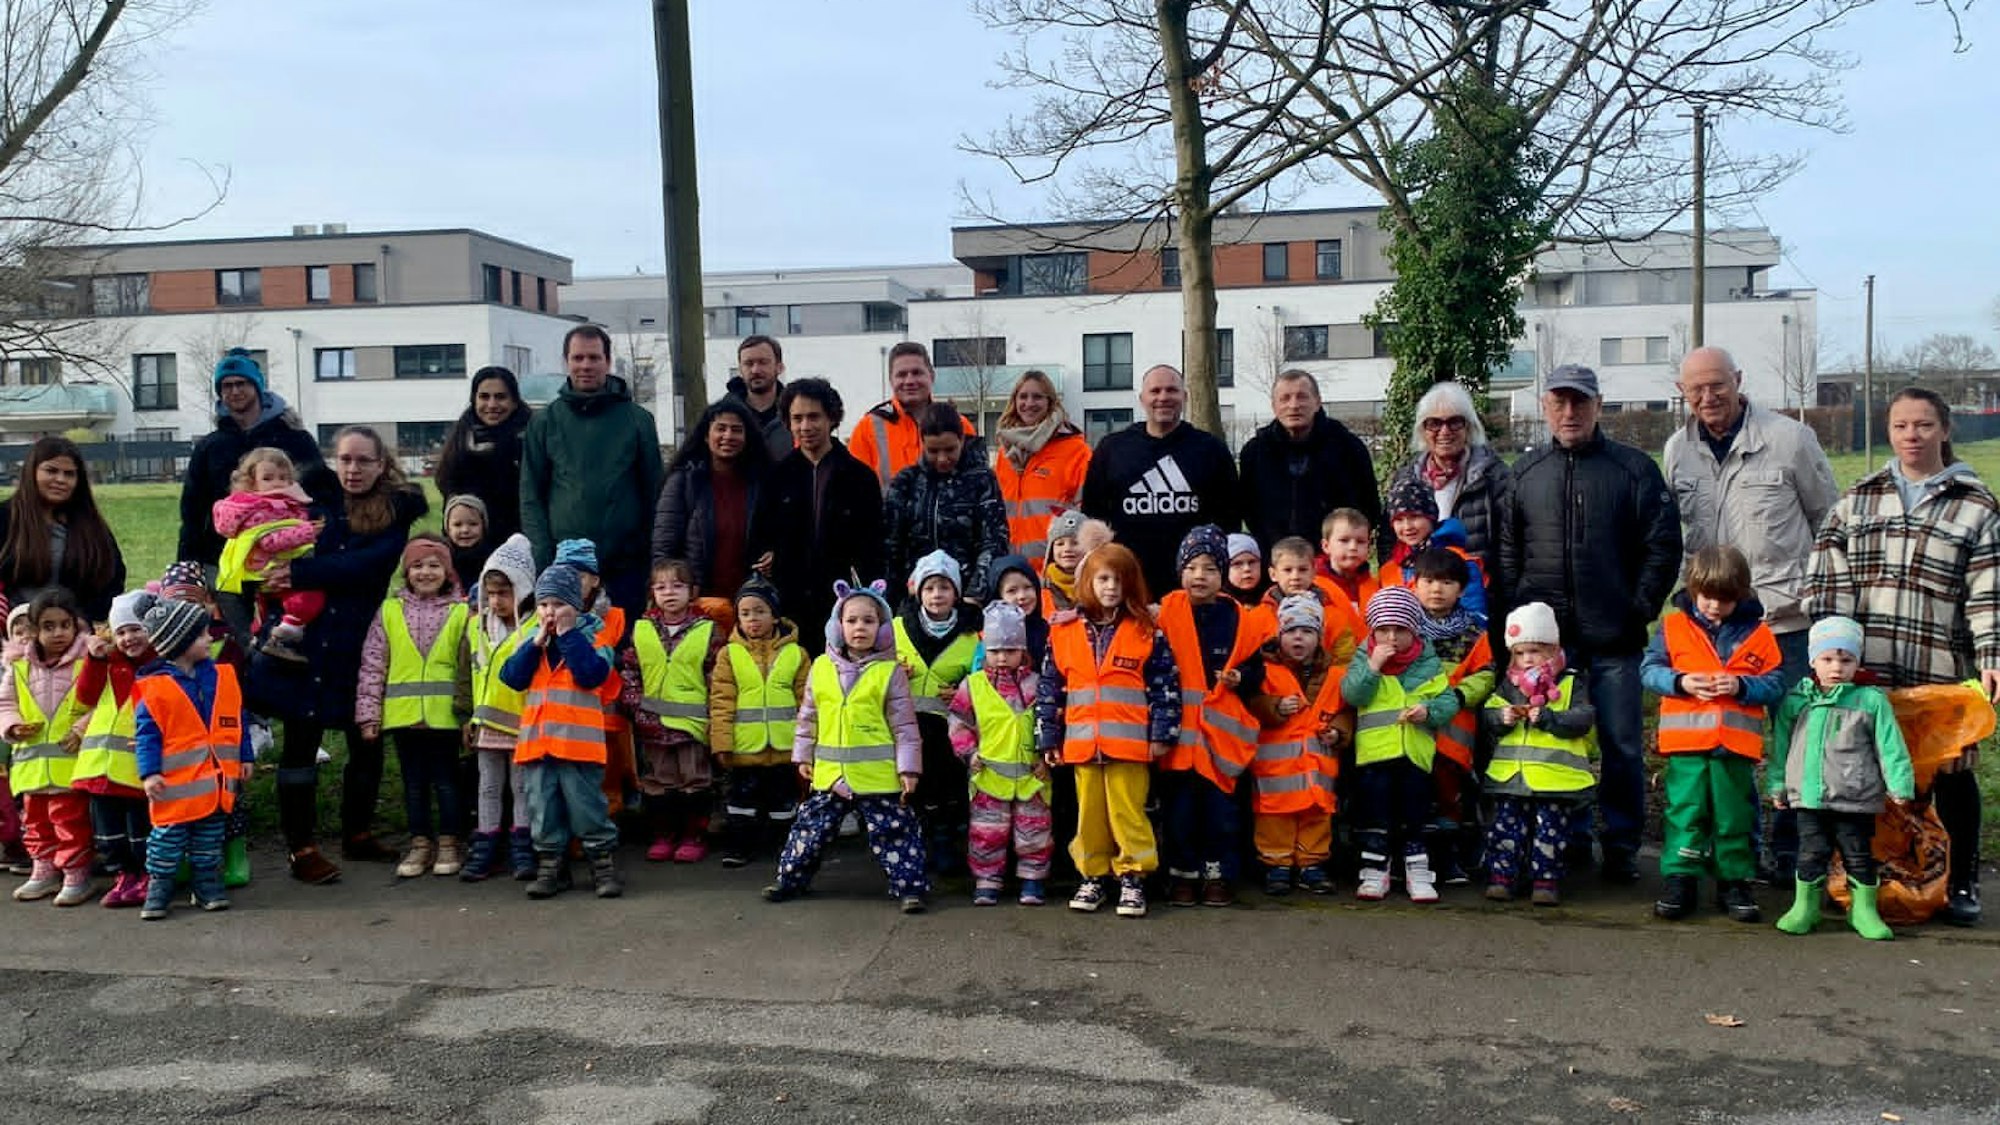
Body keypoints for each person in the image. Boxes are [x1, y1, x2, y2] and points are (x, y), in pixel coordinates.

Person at [1804, 386, 2000, 926]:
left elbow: (1988, 591)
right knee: (1861, 773)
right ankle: (1868, 876)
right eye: (1901, 426)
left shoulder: (1976, 505)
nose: (1912, 436)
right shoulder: (1859, 499)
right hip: (1867, 667)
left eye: (1924, 425)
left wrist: (1991, 654)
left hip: (1938, 663)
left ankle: (1960, 879)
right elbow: (1826, 580)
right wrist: (1831, 651)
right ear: (1888, 432)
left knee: (1951, 773)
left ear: (1945, 430)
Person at [1498, 364, 1680, 883]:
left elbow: (1663, 545)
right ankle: (1568, 840)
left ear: (1598, 406)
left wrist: (1638, 606)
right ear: (1544, 407)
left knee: (1622, 743)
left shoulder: (1633, 470)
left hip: (1615, 640)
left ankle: (1621, 844)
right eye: (1559, 402)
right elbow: (1510, 550)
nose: (1569, 412)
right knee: (1558, 740)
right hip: (1548, 650)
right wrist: (1521, 617)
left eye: (1579, 402)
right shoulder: (1527, 473)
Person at [1664, 346, 1839, 880]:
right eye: (1696, 389)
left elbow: (1830, 523)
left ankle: (1791, 856)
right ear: (1683, 393)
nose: (1708, 397)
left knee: (1793, 743)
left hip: (1782, 622)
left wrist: (1827, 606)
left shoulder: (1790, 440)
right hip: (1712, 630)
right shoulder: (1677, 450)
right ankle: (1730, 848)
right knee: (1722, 745)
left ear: (1738, 381)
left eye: (1717, 385)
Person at [252, 425, 427, 886]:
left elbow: (365, 565)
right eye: (345, 459)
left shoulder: (395, 511)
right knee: (300, 743)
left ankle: (358, 832)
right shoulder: (312, 503)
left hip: (359, 641)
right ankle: (301, 847)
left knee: (365, 742)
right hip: (305, 640)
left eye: (363, 461)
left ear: (381, 464)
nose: (353, 469)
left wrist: (299, 572)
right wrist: (280, 573)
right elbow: (266, 545)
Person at [1641, 545, 1787, 923]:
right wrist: (1682, 681)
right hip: (1686, 745)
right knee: (1685, 811)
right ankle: (1680, 878)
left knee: (1733, 815)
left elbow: (1774, 683)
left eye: (1725, 599)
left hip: (1735, 748)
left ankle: (1734, 880)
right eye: (1707, 597)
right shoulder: (1673, 627)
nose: (1715, 606)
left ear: (1740, 595)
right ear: (1692, 589)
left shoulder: (1759, 633)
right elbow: (1649, 670)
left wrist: (1740, 687)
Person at [764, 580, 929, 912]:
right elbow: (808, 716)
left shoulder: (890, 672)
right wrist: (802, 756)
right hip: (829, 775)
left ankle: (910, 888)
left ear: (881, 629)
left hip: (879, 777)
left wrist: (909, 769)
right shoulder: (821, 667)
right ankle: (790, 879)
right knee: (809, 831)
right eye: (852, 620)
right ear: (838, 626)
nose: (859, 628)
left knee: (895, 834)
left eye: (869, 621)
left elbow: (905, 727)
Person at [1036, 544, 1179, 919]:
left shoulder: (1147, 630)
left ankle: (1133, 876)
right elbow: (1049, 688)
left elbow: (1164, 685)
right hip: (1082, 745)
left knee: (1128, 813)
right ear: (1087, 582)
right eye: (1102, 578)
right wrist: (1047, 737)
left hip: (1130, 745)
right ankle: (1094, 875)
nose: (1111, 587)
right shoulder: (1063, 631)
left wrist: (1163, 734)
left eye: (1119, 579)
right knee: (1090, 815)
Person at [1768, 615, 1916, 940]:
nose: (1836, 667)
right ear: (1812, 661)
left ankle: (1863, 910)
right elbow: (1781, 746)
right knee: (1810, 852)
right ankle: (1805, 908)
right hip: (1809, 796)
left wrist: (1900, 784)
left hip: (1856, 798)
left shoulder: (1870, 701)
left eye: (1846, 660)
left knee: (1858, 853)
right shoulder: (1798, 700)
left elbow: (1890, 746)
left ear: (1856, 662)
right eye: (1827, 659)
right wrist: (1777, 783)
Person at [1155, 525, 1272, 907]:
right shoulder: (1166, 611)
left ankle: (1218, 876)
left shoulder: (1238, 616)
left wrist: (1242, 678)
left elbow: (1256, 667)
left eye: (1209, 568)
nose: (1199, 576)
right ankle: (1182, 877)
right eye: (1191, 567)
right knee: (1180, 814)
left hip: (1221, 740)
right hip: (1180, 740)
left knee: (1221, 815)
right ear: (1179, 571)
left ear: (1222, 576)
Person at [520, 324, 667, 623]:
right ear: (566, 362)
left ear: (607, 362)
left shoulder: (638, 420)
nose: (585, 365)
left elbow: (655, 493)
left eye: (593, 357)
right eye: (578, 358)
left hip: (625, 567)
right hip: (563, 567)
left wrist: (647, 553)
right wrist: (544, 554)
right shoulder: (545, 422)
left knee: (621, 652)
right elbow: (531, 494)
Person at [500, 564, 624, 900]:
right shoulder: (531, 640)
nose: (549, 612)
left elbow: (591, 675)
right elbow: (511, 677)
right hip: (538, 745)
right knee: (543, 807)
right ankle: (551, 865)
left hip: (579, 747)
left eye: (558, 604)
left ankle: (602, 863)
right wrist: (535, 643)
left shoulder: (595, 636)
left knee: (587, 808)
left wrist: (569, 635)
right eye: (543, 605)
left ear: (576, 605)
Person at [355, 535, 473, 880]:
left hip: (445, 718)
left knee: (447, 781)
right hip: (403, 717)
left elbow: (470, 668)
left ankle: (450, 842)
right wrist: (368, 714)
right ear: (406, 572)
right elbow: (373, 664)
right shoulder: (389, 611)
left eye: (434, 565)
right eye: (418, 565)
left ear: (448, 572)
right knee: (414, 783)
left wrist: (470, 715)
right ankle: (420, 843)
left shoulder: (461, 612)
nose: (426, 572)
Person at [1079, 365, 1240, 599]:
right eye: (1155, 391)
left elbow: (1229, 519)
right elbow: (1094, 513)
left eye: (1171, 390)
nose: (1163, 397)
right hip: (1127, 586)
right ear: (1142, 398)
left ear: (1184, 396)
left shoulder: (1210, 449)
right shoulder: (1112, 449)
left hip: (1192, 588)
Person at [1342, 585, 1460, 904]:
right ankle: (1374, 869)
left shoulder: (1428, 663)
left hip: (1415, 756)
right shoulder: (1364, 657)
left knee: (1416, 815)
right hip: (1374, 757)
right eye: (1383, 630)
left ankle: (1418, 871)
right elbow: (1352, 694)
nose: (1391, 638)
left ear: (1414, 630)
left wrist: (1429, 712)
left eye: (1400, 630)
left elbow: (1448, 701)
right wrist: (1372, 668)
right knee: (1374, 815)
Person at [133, 597, 250, 920]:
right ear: (181, 643)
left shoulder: (221, 676)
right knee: (167, 841)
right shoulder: (155, 687)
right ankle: (160, 887)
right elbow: (146, 734)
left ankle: (206, 884)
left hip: (215, 784)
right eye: (201, 635)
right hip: (175, 787)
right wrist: (149, 773)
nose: (210, 638)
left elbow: (236, 718)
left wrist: (245, 755)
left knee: (209, 841)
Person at [750, 378, 885, 655]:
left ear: (832, 418)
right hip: (788, 606)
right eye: (797, 418)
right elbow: (759, 537)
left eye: (814, 417)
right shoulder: (777, 477)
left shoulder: (860, 477)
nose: (805, 427)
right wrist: (767, 557)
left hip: (841, 606)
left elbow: (874, 547)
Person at [176, 348, 330, 578]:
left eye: (242, 383)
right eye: (227, 386)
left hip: (285, 560)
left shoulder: (295, 439)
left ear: (257, 387)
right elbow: (193, 512)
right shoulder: (210, 447)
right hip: (225, 561)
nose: (235, 391)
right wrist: (187, 568)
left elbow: (322, 494)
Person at [1481, 601, 1596, 907]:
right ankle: (1502, 876)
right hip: (1512, 775)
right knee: (1506, 827)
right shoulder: (1509, 684)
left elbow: (1583, 718)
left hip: (1553, 778)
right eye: (1519, 652)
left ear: (1552, 648)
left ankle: (1546, 880)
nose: (1526, 658)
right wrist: (1500, 718)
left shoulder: (1570, 681)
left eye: (1534, 650)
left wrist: (1549, 718)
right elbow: (1488, 714)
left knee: (1551, 832)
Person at [622, 558, 725, 864]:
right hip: (651, 724)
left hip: (692, 725)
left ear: (692, 591)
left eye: (677, 586)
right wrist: (634, 701)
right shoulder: (641, 629)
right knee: (658, 781)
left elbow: (716, 676)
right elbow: (630, 669)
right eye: (661, 586)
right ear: (652, 592)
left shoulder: (708, 630)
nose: (669, 593)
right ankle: (663, 834)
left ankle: (694, 835)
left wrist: (712, 715)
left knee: (695, 780)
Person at [949, 602, 1052, 906]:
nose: (1002, 657)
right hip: (988, 777)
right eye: (994, 651)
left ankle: (1033, 880)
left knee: (1034, 832)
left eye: (1009, 650)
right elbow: (959, 724)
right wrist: (969, 753)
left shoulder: (1037, 685)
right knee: (986, 832)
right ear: (985, 650)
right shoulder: (973, 686)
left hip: (1032, 777)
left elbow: (1050, 723)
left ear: (1022, 650)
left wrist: (1047, 758)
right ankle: (987, 879)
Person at [1245, 593, 1347, 897]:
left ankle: (1312, 864)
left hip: (1318, 769)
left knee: (1317, 817)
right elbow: (1252, 704)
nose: (1298, 638)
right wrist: (1274, 706)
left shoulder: (1336, 674)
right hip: (1276, 773)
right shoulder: (1265, 671)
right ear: (1279, 635)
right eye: (1290, 631)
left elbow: (1345, 712)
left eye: (1307, 631)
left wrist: (1338, 734)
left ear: (1319, 636)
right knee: (1275, 819)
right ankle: (1277, 864)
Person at [892, 549, 984, 874]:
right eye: (930, 587)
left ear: (956, 593)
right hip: (906, 729)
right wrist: (892, 671)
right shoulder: (896, 628)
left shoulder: (973, 636)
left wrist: (963, 690)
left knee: (946, 788)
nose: (936, 595)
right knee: (912, 789)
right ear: (918, 590)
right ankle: (914, 844)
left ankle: (944, 841)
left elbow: (983, 679)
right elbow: (873, 668)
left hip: (950, 732)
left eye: (944, 587)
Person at [708, 576, 807, 869]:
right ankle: (740, 846)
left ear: (775, 615)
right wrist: (722, 743)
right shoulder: (729, 654)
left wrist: (807, 744)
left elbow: (808, 703)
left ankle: (783, 845)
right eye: (745, 613)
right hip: (744, 749)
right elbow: (721, 701)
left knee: (783, 803)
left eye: (760, 611)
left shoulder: (796, 654)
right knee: (741, 802)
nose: (753, 619)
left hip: (784, 748)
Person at [1410, 547, 1495, 885]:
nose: (1436, 589)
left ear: (1461, 589)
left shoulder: (1475, 632)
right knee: (1415, 793)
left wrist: (1459, 694)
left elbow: (1487, 672)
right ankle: (1415, 858)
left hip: (1456, 730)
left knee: (1451, 793)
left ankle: (1449, 856)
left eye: (1447, 582)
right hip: (1413, 728)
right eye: (1429, 580)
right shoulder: (1404, 627)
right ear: (1414, 584)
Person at [2, 589, 92, 904]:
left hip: (71, 764)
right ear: (35, 630)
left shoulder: (86, 664)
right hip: (30, 765)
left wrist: (81, 730)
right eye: (48, 626)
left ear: (76, 626)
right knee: (36, 822)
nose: (58, 633)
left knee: (69, 821)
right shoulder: (19, 667)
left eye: (65, 625)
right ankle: (44, 869)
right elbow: (5, 703)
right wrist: (12, 726)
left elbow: (102, 705)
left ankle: (75, 872)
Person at [69, 591, 158, 909]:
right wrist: (93, 659)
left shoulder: (157, 666)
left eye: (136, 629)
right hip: (100, 770)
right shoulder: (106, 665)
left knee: (141, 834)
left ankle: (146, 876)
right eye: (121, 632)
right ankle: (124, 876)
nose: (129, 637)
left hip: (137, 772)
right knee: (108, 836)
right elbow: (85, 697)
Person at [463, 534, 538, 882]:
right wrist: (469, 716)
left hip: (523, 724)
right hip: (486, 723)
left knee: (521, 788)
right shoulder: (477, 626)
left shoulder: (536, 628)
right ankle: (486, 845)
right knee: (488, 787)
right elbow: (469, 673)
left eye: (504, 593)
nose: (496, 601)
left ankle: (523, 846)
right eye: (490, 593)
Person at [1239, 369, 1381, 553]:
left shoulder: (1347, 447)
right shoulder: (1255, 452)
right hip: (1276, 561)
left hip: (1335, 563)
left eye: (1302, 397)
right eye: (1285, 398)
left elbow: (1367, 507)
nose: (1294, 405)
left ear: (1317, 402)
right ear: (1274, 406)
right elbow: (1249, 510)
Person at [883, 402, 1010, 599]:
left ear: (962, 439)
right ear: (922, 443)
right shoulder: (906, 481)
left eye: (950, 449)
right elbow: (892, 546)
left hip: (968, 597)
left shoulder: (982, 479)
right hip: (917, 597)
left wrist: (975, 596)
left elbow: (994, 541)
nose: (942, 459)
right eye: (933, 451)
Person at [653, 398, 773, 600]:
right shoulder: (684, 481)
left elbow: (776, 533)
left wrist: (773, 554)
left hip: (751, 601)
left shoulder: (762, 482)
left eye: (736, 430)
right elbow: (664, 546)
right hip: (697, 598)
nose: (728, 436)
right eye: (721, 428)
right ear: (707, 436)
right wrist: (674, 589)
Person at [211, 447, 322, 663]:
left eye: (284, 477)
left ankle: (268, 638)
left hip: (270, 570)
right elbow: (270, 541)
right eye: (268, 478)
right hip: (269, 569)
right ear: (252, 483)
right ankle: (286, 632)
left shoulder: (284, 504)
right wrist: (308, 532)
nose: (278, 483)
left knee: (265, 614)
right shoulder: (259, 509)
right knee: (309, 596)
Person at [1384, 382, 1513, 566]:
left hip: (1477, 588)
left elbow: (1509, 545)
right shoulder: (1406, 479)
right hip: (1418, 587)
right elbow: (1388, 540)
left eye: (1454, 422)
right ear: (1423, 430)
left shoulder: (1495, 477)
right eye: (1434, 423)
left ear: (1468, 427)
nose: (1444, 432)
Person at [0, 436, 126, 624]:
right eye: (51, 471)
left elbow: (112, 581)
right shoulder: (4, 518)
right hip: (14, 636)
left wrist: (86, 621)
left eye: (69, 474)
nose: (60, 479)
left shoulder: (92, 527)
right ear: (31, 472)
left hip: (77, 638)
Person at [991, 370, 1091, 571]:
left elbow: (1087, 514)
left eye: (1037, 396)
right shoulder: (1006, 452)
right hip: (1010, 570)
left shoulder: (1075, 451)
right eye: (1023, 396)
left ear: (1050, 402)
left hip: (1056, 571)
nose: (1029, 403)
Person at [848, 341, 979, 488]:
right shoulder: (866, 429)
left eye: (917, 373)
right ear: (891, 380)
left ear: (932, 376)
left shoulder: (960, 425)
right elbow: (854, 492)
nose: (909, 381)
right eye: (901, 375)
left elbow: (977, 484)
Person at [435, 366, 532, 545]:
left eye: (501, 397)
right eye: (484, 397)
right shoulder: (460, 441)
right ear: (474, 399)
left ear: (514, 401)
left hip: (517, 546)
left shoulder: (531, 440)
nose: (492, 405)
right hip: (466, 548)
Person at [1380, 478, 1488, 623]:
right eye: (1399, 520)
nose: (1407, 527)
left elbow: (1476, 617)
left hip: (1455, 642)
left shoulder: (1458, 561)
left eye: (1415, 517)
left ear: (1431, 517)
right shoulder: (1391, 568)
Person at [724, 335, 794, 460]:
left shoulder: (795, 414)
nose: (755, 370)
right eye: (748, 364)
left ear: (780, 367)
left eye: (763, 362)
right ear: (740, 369)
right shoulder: (723, 414)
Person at [987, 554, 1050, 671]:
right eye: (1012, 591)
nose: (1022, 596)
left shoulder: (1047, 632)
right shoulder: (988, 637)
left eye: (1027, 587)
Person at [1317, 508, 1380, 612]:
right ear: (1326, 546)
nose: (1353, 547)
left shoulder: (1375, 588)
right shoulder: (1313, 586)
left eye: (1360, 542)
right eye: (1344, 540)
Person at [442, 495, 494, 606]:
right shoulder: (442, 556)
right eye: (457, 525)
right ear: (448, 528)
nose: (465, 530)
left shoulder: (492, 557)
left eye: (473, 524)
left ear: (483, 526)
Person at [1225, 533, 1267, 608]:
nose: (1247, 569)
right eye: (1237, 564)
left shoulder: (1275, 597)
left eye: (1252, 562)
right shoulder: (1217, 602)